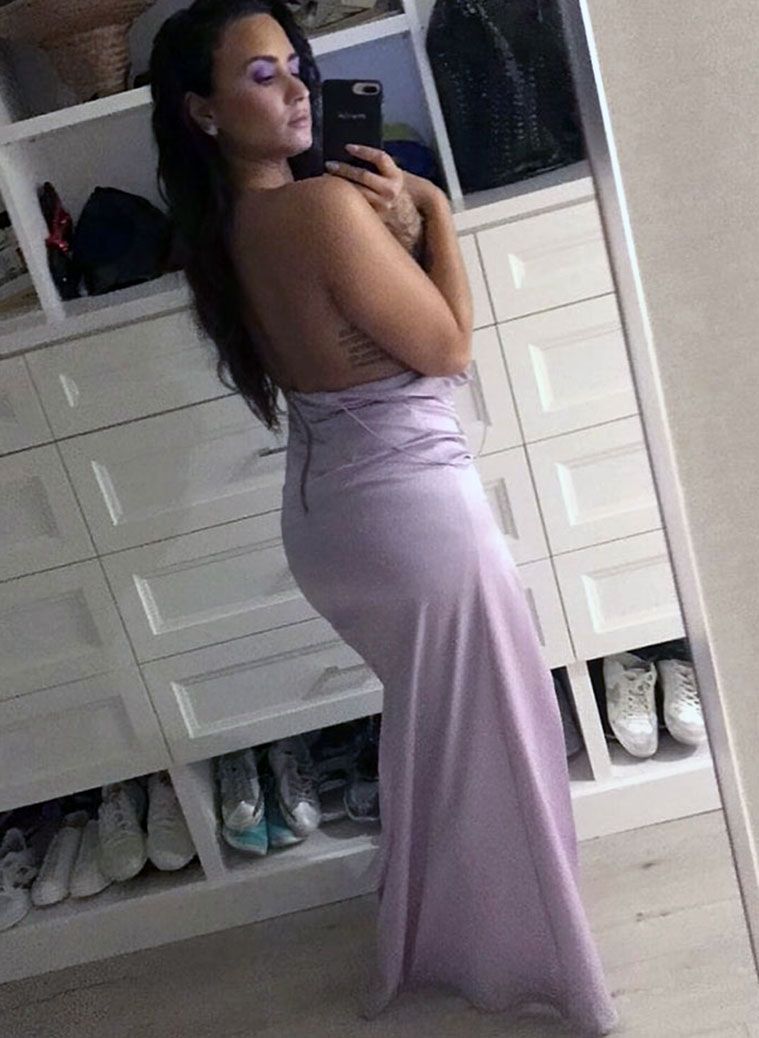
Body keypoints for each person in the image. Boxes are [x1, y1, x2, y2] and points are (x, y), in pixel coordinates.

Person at [148, 2, 619, 1034]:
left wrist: (391, 228)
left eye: (295, 65)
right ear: (203, 111)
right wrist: (434, 213)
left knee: (442, 737)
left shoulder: (224, 233)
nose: (296, 87)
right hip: (411, 521)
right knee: (498, 739)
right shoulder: (318, 209)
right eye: (260, 76)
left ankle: (443, 934)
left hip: (337, 519)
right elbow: (445, 347)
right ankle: (533, 967)